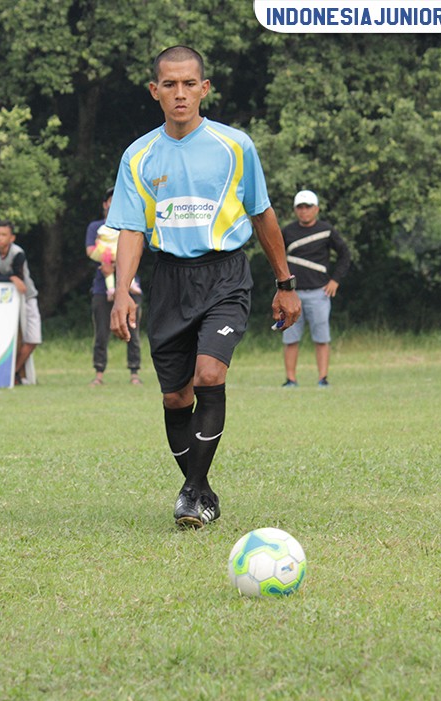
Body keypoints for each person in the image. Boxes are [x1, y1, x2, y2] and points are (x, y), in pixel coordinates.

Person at [107, 46, 301, 529]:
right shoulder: (138, 155)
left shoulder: (235, 146)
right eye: (169, 84)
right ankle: (202, 489)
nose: (180, 93)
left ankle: (191, 493)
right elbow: (131, 229)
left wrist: (286, 283)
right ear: (154, 91)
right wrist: (121, 293)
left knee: (209, 376)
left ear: (204, 88)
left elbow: (262, 214)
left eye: (189, 83)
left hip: (225, 275)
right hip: (169, 281)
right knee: (176, 398)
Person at [280, 190, 351, 388]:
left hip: (319, 293)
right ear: (295, 210)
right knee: (290, 338)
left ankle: (323, 378)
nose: (304, 211)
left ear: (316, 209)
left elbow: (345, 254)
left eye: (308, 207)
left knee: (321, 337)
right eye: (300, 207)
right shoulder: (287, 231)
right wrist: (283, 288)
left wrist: (335, 280)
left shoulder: (327, 230)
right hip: (292, 294)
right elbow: (277, 257)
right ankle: (290, 380)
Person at [85, 187, 142, 386]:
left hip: (130, 287)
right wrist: (108, 262)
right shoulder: (95, 227)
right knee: (101, 333)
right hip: (102, 288)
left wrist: (120, 264)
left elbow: (136, 250)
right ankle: (99, 373)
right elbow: (91, 250)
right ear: (105, 204)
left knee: (133, 332)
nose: (113, 203)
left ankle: (134, 373)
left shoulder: (132, 225)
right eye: (110, 200)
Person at [0, 219, 41, 385]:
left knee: (33, 338)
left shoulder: (18, 253)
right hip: (6, 299)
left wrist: (10, 278)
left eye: (4, 235)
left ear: (12, 238)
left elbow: (20, 279)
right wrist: (10, 277)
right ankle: (10, 374)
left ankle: (13, 371)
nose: (1, 238)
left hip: (27, 297)